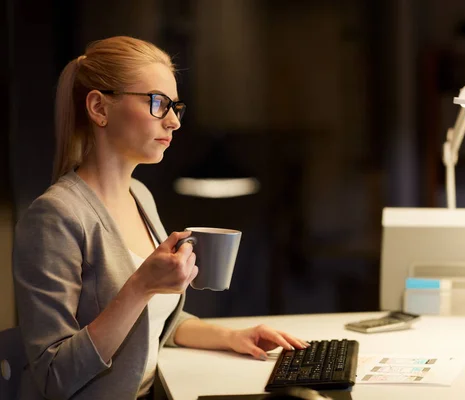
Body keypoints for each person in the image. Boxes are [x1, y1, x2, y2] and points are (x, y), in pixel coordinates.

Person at [12, 36, 309, 400]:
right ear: (98, 108)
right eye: (157, 103)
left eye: (175, 107)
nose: (173, 122)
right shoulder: (54, 216)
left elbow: (154, 322)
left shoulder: (140, 195)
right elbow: (54, 377)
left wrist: (233, 337)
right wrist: (140, 286)